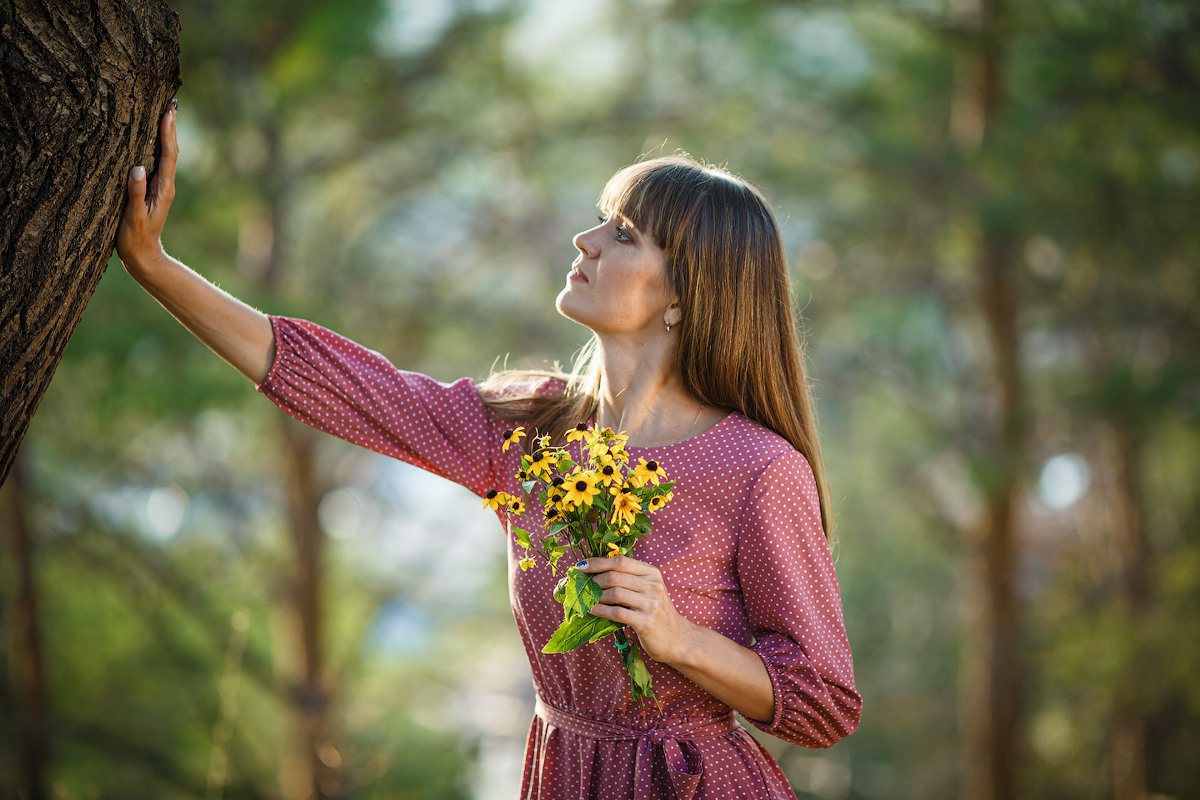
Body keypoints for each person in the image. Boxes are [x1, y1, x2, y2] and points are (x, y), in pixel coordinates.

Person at [116, 105, 862, 799]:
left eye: (625, 235)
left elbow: (822, 706)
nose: (587, 241)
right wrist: (155, 267)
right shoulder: (529, 432)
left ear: (683, 297)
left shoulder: (758, 470)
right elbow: (346, 385)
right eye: (602, 221)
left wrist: (680, 639)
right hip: (561, 773)